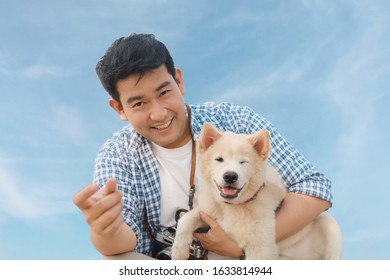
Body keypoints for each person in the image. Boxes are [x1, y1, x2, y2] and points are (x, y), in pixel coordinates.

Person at [73, 33, 332, 259]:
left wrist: (240, 246)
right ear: (119, 108)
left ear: (179, 81)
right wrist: (106, 230)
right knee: (113, 263)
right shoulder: (117, 154)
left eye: (164, 92)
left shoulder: (236, 122)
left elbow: (314, 187)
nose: (159, 114)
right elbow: (120, 243)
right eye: (139, 103)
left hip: (244, 259)